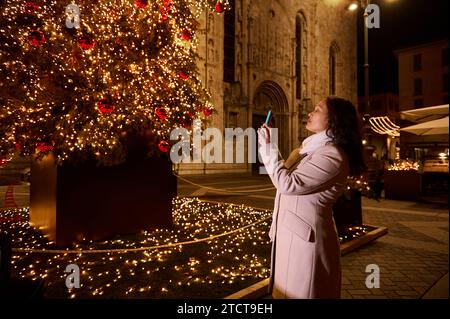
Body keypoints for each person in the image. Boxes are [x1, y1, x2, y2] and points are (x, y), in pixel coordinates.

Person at [258, 96, 366, 299]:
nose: (309, 113)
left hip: (306, 245)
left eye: (317, 110)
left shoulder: (332, 155)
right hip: (290, 236)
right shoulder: (308, 150)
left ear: (333, 119)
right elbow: (286, 177)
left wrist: (268, 147)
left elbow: (287, 184)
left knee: (303, 293)